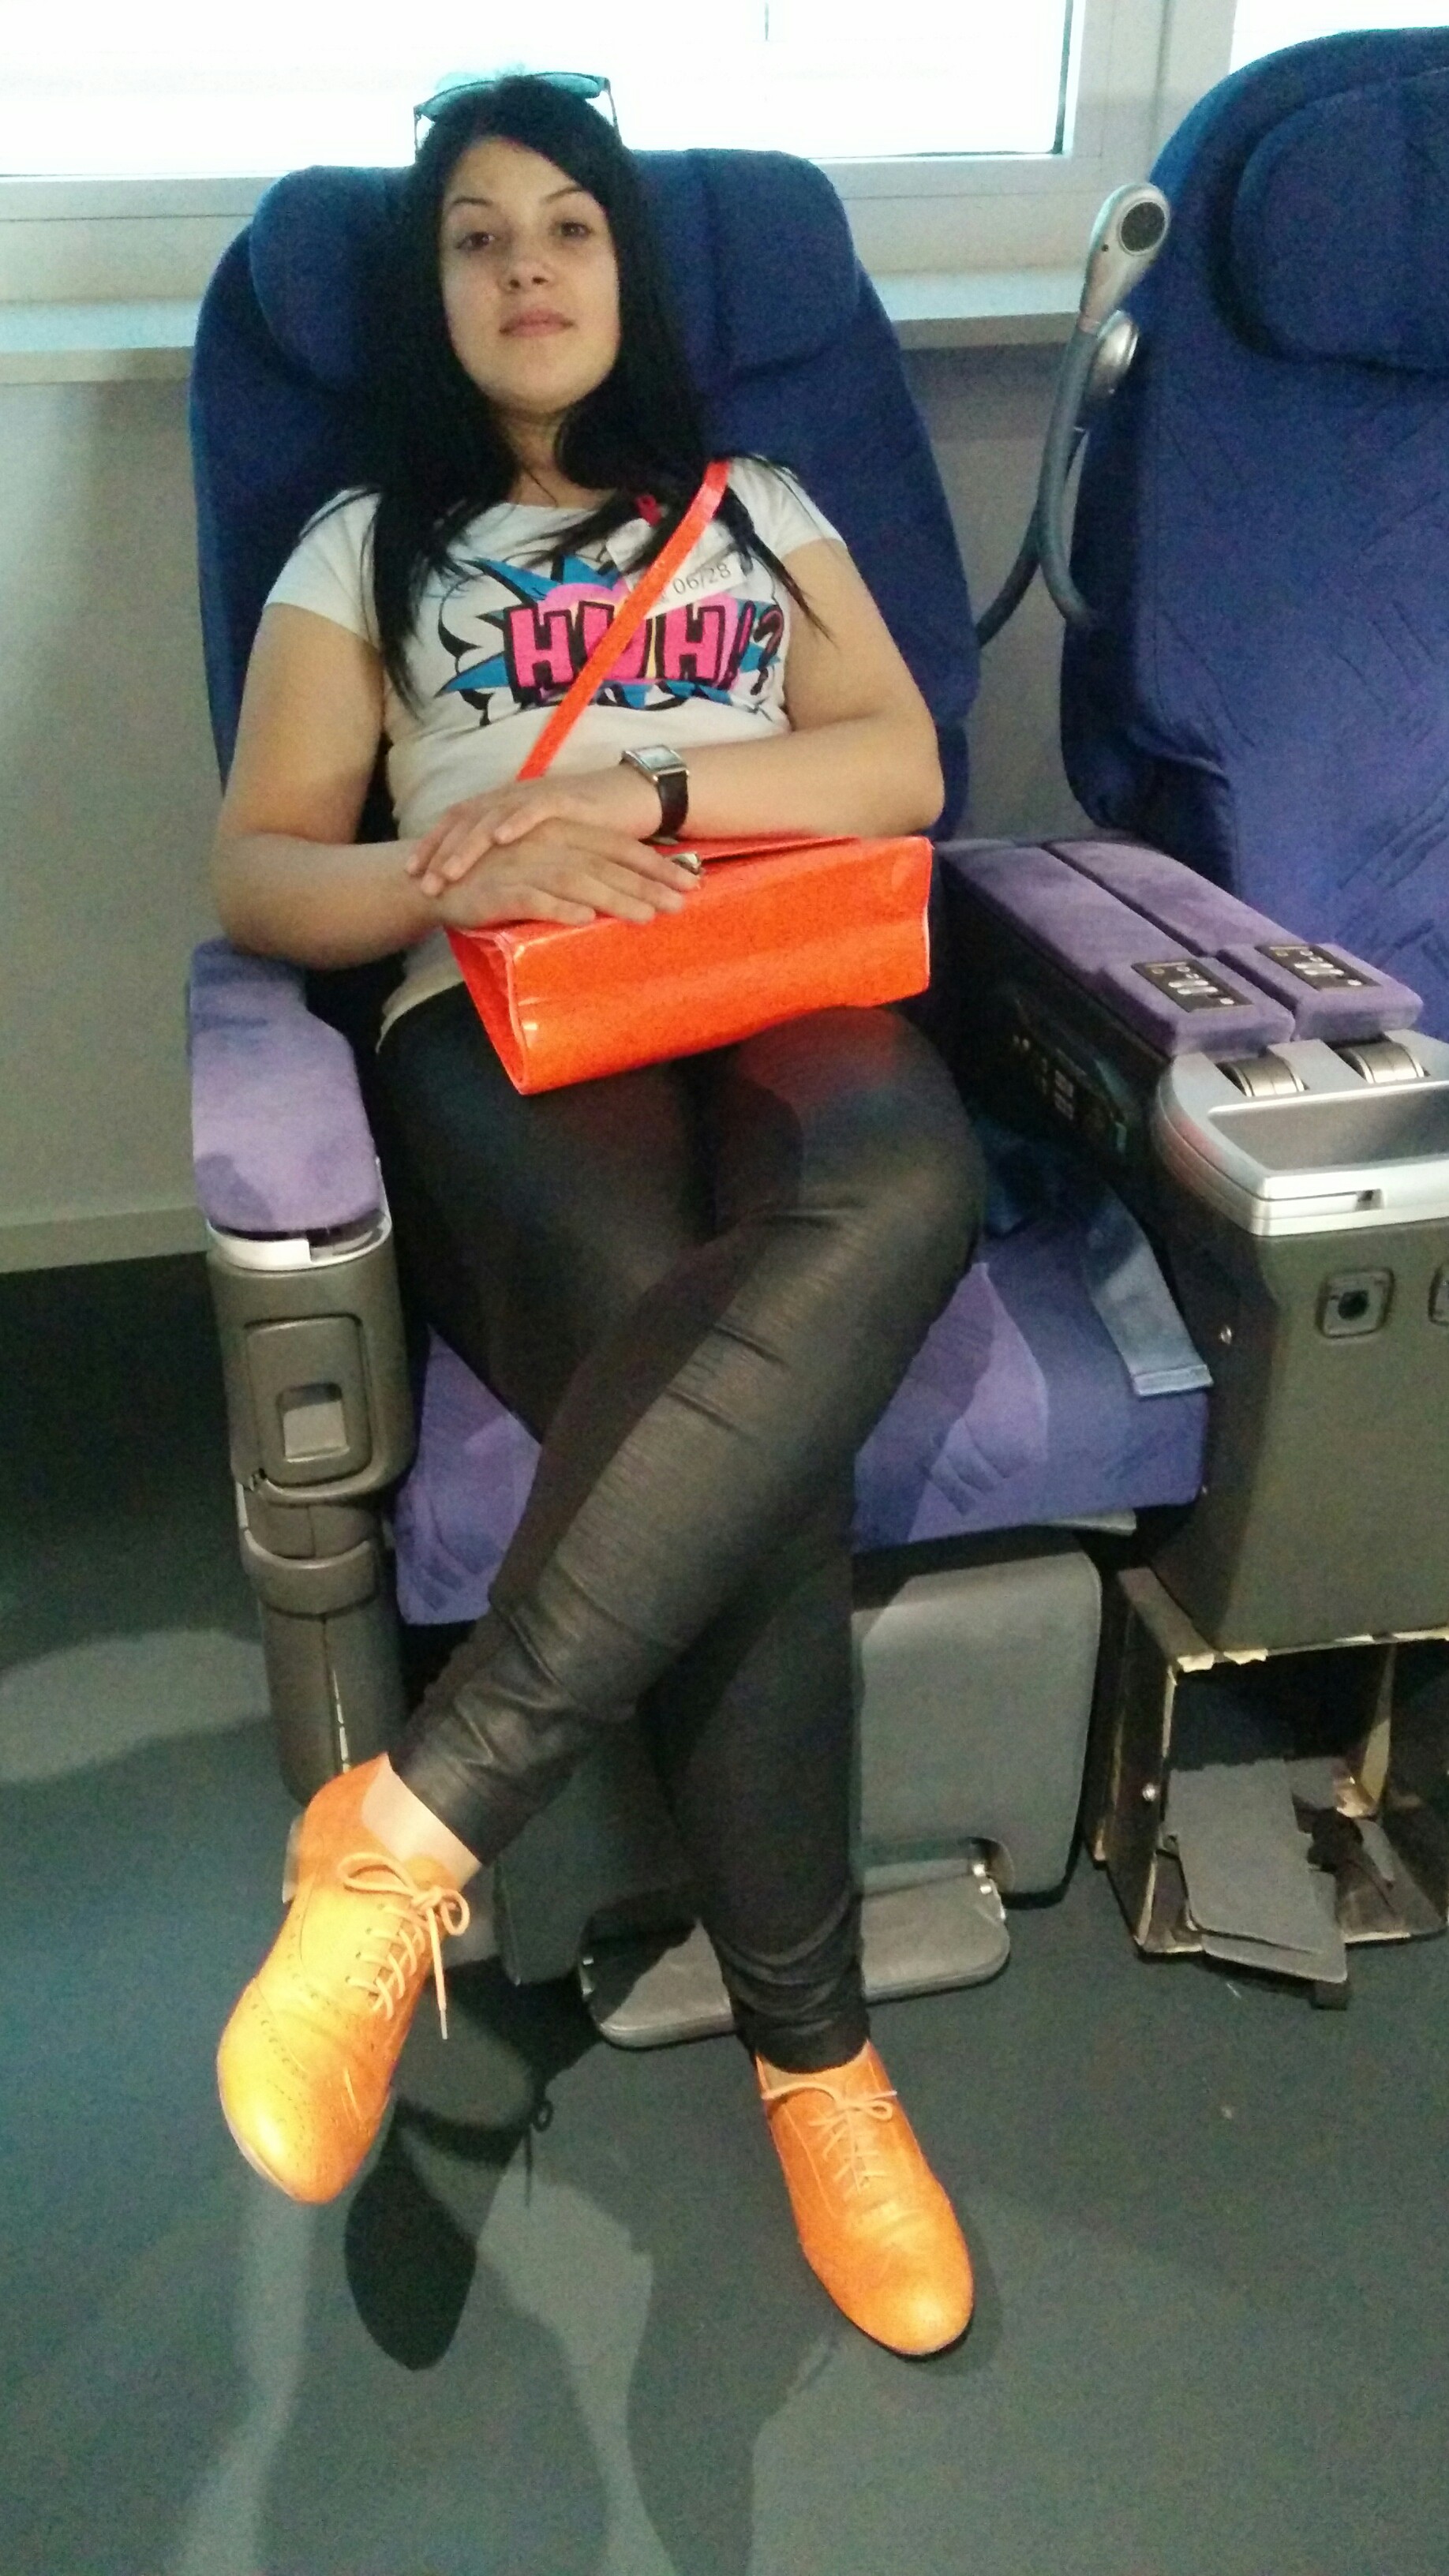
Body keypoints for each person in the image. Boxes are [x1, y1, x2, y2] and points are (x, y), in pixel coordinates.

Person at [212, 73, 984, 2359]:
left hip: (777, 968)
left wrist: (636, 787)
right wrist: (467, 861)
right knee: (701, 1370)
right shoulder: (364, 544)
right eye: (477, 236)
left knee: (910, 1177)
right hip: (503, 1008)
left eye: (567, 226)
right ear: (434, 292)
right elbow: (265, 872)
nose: (527, 268)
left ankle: (408, 1832)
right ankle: (821, 2064)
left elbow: (900, 766)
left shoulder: (753, 511)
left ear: (625, 269)